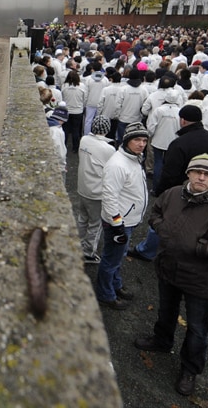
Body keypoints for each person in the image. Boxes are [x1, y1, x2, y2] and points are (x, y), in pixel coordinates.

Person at [134, 155, 208, 397]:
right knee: (166, 311)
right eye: (197, 171)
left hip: (198, 278)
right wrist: (162, 228)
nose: (201, 177)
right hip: (168, 268)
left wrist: (201, 248)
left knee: (197, 328)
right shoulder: (174, 193)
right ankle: (162, 341)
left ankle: (190, 369)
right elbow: (156, 211)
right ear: (188, 173)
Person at [129, 104, 208, 262]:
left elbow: (169, 172)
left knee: (162, 219)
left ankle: (148, 251)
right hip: (206, 189)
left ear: (183, 121)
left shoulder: (180, 143)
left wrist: (161, 192)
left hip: (181, 189)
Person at [95, 122, 149, 310]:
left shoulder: (135, 158)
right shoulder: (117, 164)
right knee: (111, 259)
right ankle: (105, 294)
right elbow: (109, 197)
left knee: (119, 256)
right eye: (137, 140)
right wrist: (117, 225)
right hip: (119, 222)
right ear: (127, 141)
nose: (141, 144)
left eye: (144, 140)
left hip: (128, 220)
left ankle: (115, 285)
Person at [77, 115, 116, 263]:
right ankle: (88, 252)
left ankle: (78, 243)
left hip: (82, 187)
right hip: (96, 192)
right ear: (107, 129)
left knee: (82, 218)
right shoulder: (108, 149)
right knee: (95, 224)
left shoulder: (84, 140)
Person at [61, 70, 86, 153]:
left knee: (66, 129)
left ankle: (64, 145)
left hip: (67, 110)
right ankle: (75, 147)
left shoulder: (64, 86)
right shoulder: (82, 86)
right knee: (76, 130)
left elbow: (62, 98)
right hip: (78, 110)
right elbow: (84, 98)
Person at [47, 106, 69, 174]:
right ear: (63, 120)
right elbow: (61, 153)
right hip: (54, 165)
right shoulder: (58, 132)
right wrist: (62, 167)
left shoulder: (46, 123)